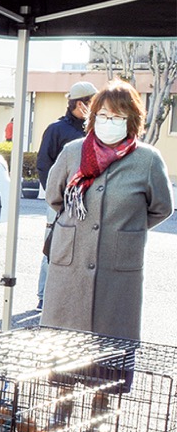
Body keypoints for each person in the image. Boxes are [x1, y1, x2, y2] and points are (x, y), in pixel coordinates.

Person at [41, 78, 172, 349]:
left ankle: (104, 393)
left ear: (131, 120)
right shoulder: (72, 151)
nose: (108, 121)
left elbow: (162, 208)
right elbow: (55, 197)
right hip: (71, 262)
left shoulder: (147, 159)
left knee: (110, 350)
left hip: (118, 267)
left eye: (117, 116)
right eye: (102, 115)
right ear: (93, 117)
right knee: (63, 347)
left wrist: (126, 227)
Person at [34, 80, 96, 309]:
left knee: (81, 249)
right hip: (59, 202)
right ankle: (44, 296)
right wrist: (55, 198)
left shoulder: (93, 130)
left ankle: (70, 297)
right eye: (93, 102)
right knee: (53, 247)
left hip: (87, 201)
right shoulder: (56, 129)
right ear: (80, 104)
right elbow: (43, 165)